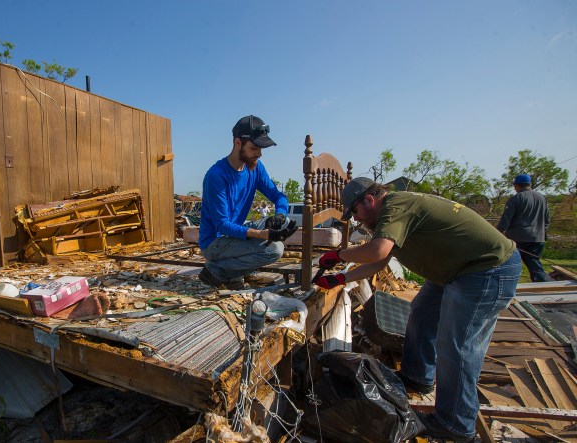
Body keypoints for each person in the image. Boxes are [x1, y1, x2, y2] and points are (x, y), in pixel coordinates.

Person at [312, 177, 520, 442]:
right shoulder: (392, 214)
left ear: (369, 200)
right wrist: (340, 278)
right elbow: (379, 262)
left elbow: (377, 251)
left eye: (354, 211)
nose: (355, 219)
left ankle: (455, 424)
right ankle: (417, 376)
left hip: (485, 270)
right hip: (456, 270)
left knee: (457, 346)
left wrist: (339, 256)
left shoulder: (395, 205)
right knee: (421, 313)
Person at [198, 115, 297, 289]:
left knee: (284, 222)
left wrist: (279, 216)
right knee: (275, 249)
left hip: (233, 236)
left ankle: (232, 271)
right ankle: (216, 270)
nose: (259, 154)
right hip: (214, 243)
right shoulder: (216, 176)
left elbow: (278, 196)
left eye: (261, 149)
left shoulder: (256, 167)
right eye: (254, 148)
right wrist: (262, 235)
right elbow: (222, 225)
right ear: (238, 143)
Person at [497, 173, 553, 282]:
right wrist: (542, 232)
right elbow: (547, 220)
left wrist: (497, 233)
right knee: (534, 261)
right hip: (538, 238)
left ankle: (506, 286)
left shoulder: (516, 198)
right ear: (529, 184)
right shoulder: (542, 198)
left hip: (519, 238)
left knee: (510, 263)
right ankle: (542, 284)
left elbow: (506, 220)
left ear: (517, 185)